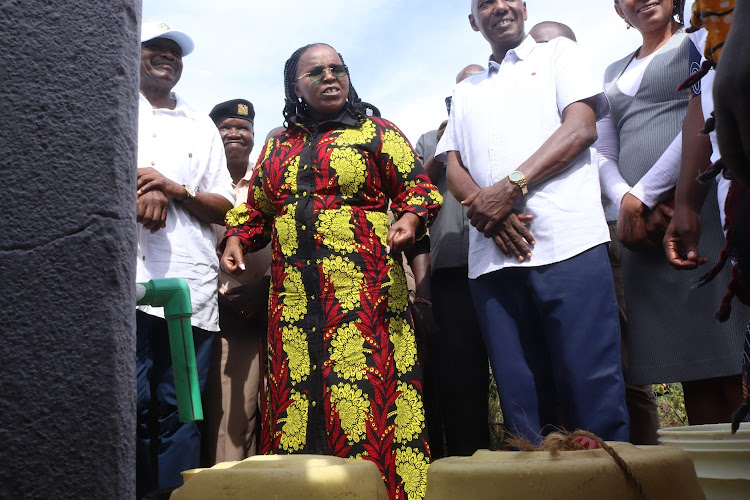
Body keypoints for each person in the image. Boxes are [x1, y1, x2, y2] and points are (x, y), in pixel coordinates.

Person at [220, 43, 442, 500]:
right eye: (316, 71)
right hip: (294, 309)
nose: (329, 76)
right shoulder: (279, 144)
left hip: (366, 301)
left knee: (372, 408)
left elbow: (418, 189)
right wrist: (237, 238)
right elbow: (258, 211)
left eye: (336, 68)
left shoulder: (376, 131)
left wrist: (410, 218)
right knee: (296, 412)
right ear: (295, 86)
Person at [436, 0, 629, 445]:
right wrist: (490, 214)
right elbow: (453, 169)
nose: (498, 7)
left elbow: (580, 130)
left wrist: (510, 189)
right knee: (523, 407)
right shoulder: (467, 90)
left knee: (592, 390)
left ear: (523, 7)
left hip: (568, 244)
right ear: (473, 21)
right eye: (485, 3)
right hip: (492, 259)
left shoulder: (559, 54)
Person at [599, 0, 745, 426]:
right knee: (689, 369)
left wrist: (644, 196)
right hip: (641, 236)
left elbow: (705, 113)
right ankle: (709, 483)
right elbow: (604, 151)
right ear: (617, 9)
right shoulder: (611, 72)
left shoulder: (698, 40)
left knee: (733, 357)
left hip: (699, 213)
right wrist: (626, 202)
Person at [135, 22, 234, 498]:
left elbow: (222, 204)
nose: (168, 57)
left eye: (176, 53)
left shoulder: (200, 124)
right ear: (131, 52)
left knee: (181, 409)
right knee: (126, 404)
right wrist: (143, 184)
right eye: (157, 48)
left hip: (187, 293)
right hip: (126, 284)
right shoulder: (113, 106)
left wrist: (173, 189)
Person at [415, 64, 490, 458]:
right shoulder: (428, 139)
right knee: (461, 380)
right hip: (450, 272)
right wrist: (442, 149)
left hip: (501, 264)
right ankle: (467, 465)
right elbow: (411, 200)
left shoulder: (499, 126)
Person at [203, 99, 272, 464]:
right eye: (226, 127)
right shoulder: (198, 182)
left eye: (242, 128)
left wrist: (268, 288)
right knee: (231, 423)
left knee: (280, 415)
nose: (235, 133)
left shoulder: (268, 177)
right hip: (224, 317)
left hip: (274, 308)